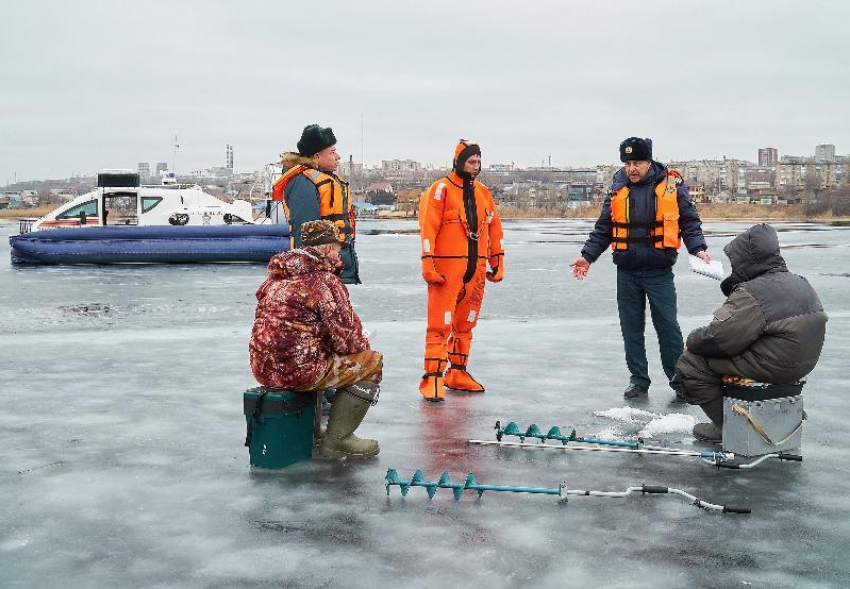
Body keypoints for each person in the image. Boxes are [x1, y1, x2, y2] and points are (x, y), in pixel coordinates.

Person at [571, 137, 710, 399]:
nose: (631, 168)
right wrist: (587, 257)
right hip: (627, 272)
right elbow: (604, 229)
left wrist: (698, 248)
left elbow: (689, 223)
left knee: (668, 327)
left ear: (649, 162)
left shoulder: (672, 187)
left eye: (637, 163)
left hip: (659, 272)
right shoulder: (617, 188)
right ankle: (638, 380)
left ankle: (678, 379)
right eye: (627, 163)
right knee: (631, 328)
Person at [675, 224, 828, 442]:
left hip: (776, 365)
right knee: (735, 349)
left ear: (747, 259)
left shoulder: (754, 292)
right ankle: (748, 419)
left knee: (692, 363)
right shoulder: (799, 281)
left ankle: (726, 428)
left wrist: (693, 341)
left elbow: (719, 339)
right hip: (803, 363)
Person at [249, 220, 382, 459]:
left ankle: (314, 431)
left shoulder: (274, 279)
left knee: (315, 354)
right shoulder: (324, 281)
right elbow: (349, 342)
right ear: (327, 248)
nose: (340, 252)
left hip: (263, 368)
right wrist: (362, 340)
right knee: (371, 363)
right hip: (298, 371)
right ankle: (337, 440)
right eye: (338, 247)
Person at [418, 139, 505, 402]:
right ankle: (432, 377)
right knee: (439, 325)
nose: (475, 167)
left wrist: (497, 259)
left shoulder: (483, 193)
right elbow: (428, 227)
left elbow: (494, 227)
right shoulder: (440, 190)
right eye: (470, 162)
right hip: (447, 270)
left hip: (475, 271)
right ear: (459, 162)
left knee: (465, 324)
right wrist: (427, 261)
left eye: (478, 162)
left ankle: (457, 371)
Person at [271, 124, 360, 284]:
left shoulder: (326, 180)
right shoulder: (304, 182)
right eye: (332, 152)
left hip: (335, 268)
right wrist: (310, 279)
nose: (338, 156)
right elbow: (305, 233)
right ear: (317, 157)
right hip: (319, 273)